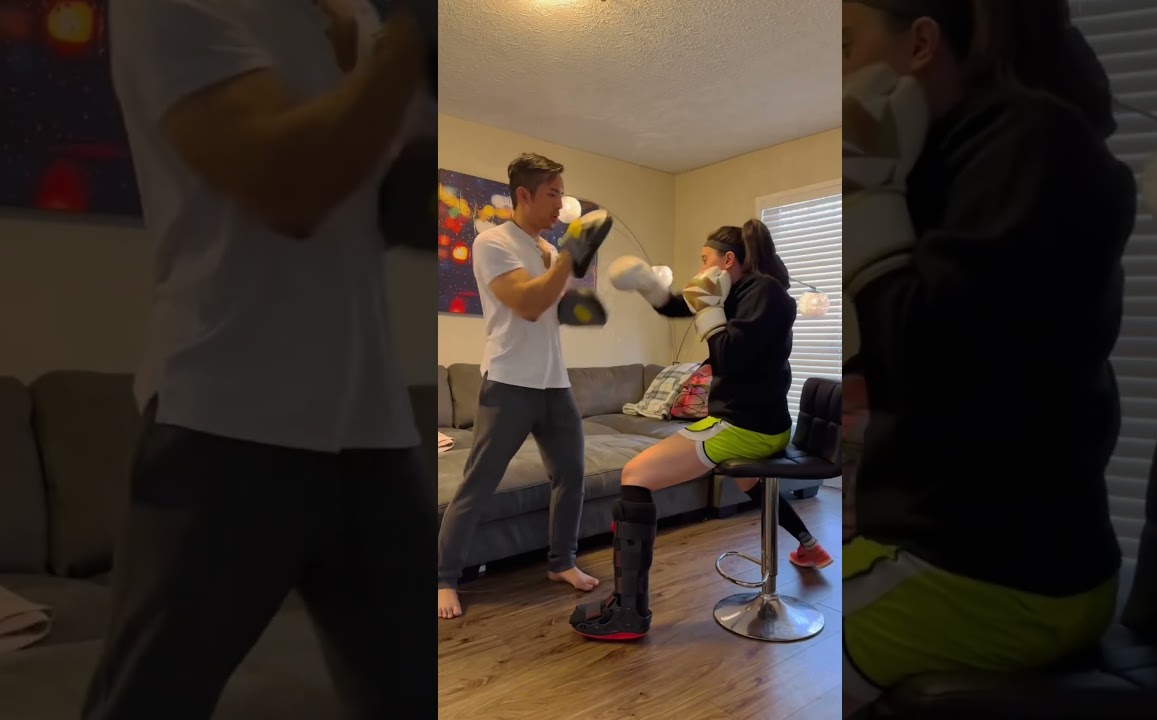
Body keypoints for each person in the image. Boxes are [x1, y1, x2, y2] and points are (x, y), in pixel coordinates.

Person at [85, 1, 432, 718]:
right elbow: (289, 186)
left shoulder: (359, 14)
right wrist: (415, 35)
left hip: (373, 426)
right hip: (226, 422)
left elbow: (391, 208)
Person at [840, 0, 1136, 711]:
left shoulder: (1032, 143)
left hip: (994, 578)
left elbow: (926, 355)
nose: (833, 79)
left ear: (920, 44)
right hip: (975, 553)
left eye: (845, 47)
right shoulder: (951, 159)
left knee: (762, 676)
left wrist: (866, 191)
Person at [571, 219, 831, 640]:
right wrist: (648, 285)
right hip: (757, 422)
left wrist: (709, 310)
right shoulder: (742, 291)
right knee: (748, 480)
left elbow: (728, 357)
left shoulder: (765, 294)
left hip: (747, 425)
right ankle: (808, 545)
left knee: (634, 475)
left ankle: (630, 613)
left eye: (704, 259)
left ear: (727, 261)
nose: (699, 267)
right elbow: (681, 306)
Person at [436, 153, 606, 619]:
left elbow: (553, 310)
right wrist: (569, 255)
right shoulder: (492, 242)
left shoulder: (547, 250)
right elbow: (528, 306)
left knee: (571, 475)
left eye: (562, 194)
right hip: (509, 383)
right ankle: (444, 577)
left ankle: (562, 562)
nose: (560, 205)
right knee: (478, 483)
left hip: (555, 383)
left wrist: (576, 279)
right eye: (552, 194)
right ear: (524, 195)